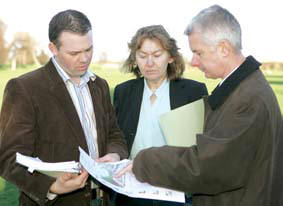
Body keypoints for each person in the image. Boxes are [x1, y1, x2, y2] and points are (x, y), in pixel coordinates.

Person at [116, 5, 283, 206]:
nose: (193, 62)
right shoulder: (241, 89)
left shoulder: (248, 99)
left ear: (223, 48)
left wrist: (145, 161)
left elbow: (207, 166)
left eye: (198, 53)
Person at [0, 9, 128, 206]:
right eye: (74, 53)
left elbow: (114, 133)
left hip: (101, 200)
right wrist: (51, 186)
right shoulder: (24, 88)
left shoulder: (100, 85)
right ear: (53, 48)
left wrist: (114, 154)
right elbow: (9, 158)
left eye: (89, 49)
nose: (85, 58)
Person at [113, 25, 207, 206]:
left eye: (157, 55)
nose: (149, 63)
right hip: (132, 191)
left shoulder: (193, 92)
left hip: (176, 192)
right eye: (142, 56)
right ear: (134, 59)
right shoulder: (123, 92)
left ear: (171, 57)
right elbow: (117, 136)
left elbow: (202, 147)